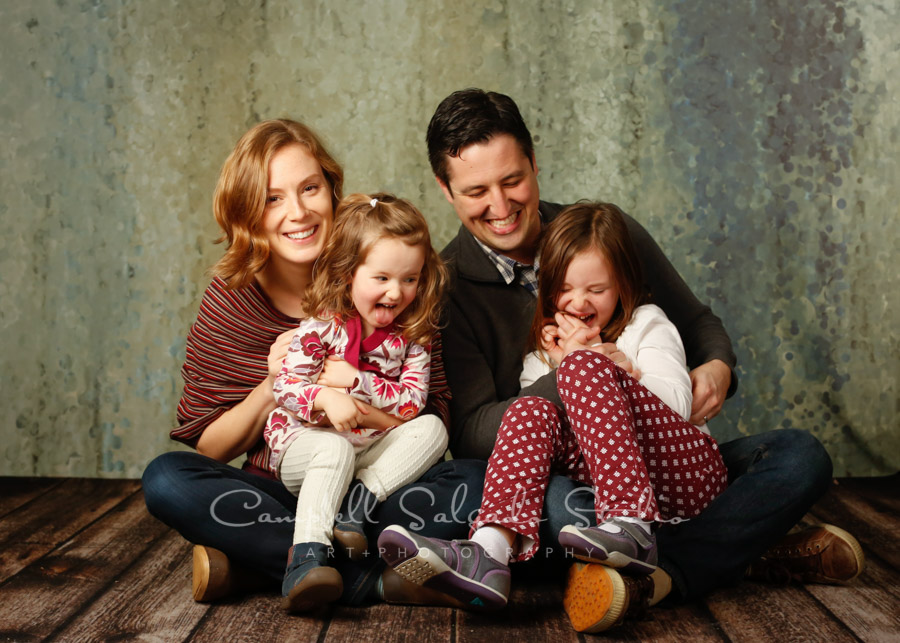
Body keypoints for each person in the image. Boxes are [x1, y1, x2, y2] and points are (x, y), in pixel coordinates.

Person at [378, 89, 861, 632]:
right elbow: (468, 432)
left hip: (662, 455)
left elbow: (698, 325)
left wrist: (717, 366)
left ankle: (660, 567)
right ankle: (735, 550)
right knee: (558, 508)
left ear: (535, 163)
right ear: (445, 190)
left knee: (799, 455)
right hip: (564, 475)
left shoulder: (605, 233)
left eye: (513, 180)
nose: (500, 205)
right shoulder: (444, 289)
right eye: (475, 191)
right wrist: (571, 376)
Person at [141, 119, 484, 609]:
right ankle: (368, 578)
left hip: (377, 490)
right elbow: (209, 446)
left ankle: (264, 565)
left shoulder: (384, 270)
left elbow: (435, 414)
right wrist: (271, 383)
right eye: (272, 197)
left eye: (309, 188)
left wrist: (359, 399)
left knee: (473, 480)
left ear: (331, 189)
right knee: (167, 479)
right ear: (247, 212)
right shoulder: (231, 299)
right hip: (283, 489)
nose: (297, 212)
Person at [379, 202, 729, 614]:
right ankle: (488, 553)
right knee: (528, 411)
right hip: (597, 487)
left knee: (582, 368)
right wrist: (563, 372)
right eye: (564, 289)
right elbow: (538, 446)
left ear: (622, 286)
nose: (578, 302)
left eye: (596, 290)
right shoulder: (543, 356)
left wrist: (608, 367)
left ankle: (632, 527)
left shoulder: (645, 324)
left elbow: (677, 405)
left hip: (685, 475)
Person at [265, 193, 450, 612]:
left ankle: (355, 509)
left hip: (367, 454)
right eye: (381, 278)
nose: (396, 292)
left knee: (434, 429)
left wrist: (356, 383)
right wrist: (326, 396)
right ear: (349, 273)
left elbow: (412, 406)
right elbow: (287, 387)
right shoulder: (322, 327)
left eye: (410, 279)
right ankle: (307, 557)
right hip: (305, 448)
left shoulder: (414, 337)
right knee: (331, 447)